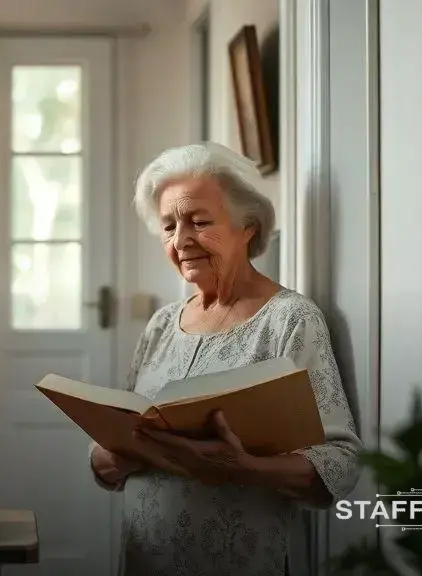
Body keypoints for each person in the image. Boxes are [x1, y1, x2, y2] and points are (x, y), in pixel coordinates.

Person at [89, 142, 362, 575]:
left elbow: (340, 463)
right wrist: (111, 457)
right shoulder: (161, 324)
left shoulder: (290, 320)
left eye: (199, 222)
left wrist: (244, 467)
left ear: (247, 226)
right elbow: (111, 445)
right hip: (144, 561)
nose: (181, 241)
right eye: (167, 227)